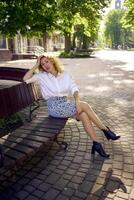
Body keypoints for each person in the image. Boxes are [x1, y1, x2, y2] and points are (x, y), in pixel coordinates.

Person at [23, 55, 120, 158]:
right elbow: (25, 79)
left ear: (52, 61)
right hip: (54, 107)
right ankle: (106, 130)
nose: (45, 65)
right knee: (85, 105)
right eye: (42, 64)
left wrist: (77, 101)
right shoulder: (42, 76)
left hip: (65, 104)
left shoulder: (65, 74)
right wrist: (36, 65)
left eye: (46, 62)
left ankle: (96, 144)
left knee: (83, 115)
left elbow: (74, 89)